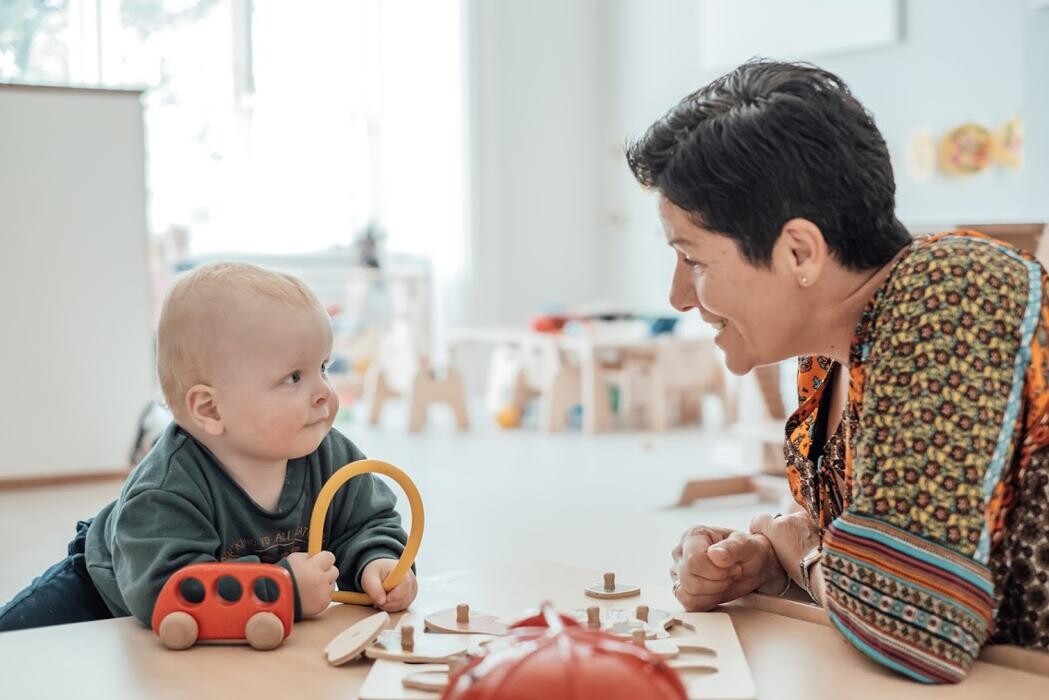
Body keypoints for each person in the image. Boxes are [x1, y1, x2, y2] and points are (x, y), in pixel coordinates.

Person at [626, 60, 1049, 683]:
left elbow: (917, 626)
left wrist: (797, 547)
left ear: (800, 251)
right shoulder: (832, 355)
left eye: (693, 260)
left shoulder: (957, 292)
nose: (678, 297)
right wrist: (771, 561)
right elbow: (866, 568)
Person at [0, 262, 417, 631]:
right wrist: (283, 589)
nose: (324, 392)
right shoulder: (165, 490)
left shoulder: (331, 454)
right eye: (294, 377)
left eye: (323, 368)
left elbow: (369, 522)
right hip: (106, 590)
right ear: (211, 408)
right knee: (15, 648)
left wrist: (377, 563)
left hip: (228, 621)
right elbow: (170, 593)